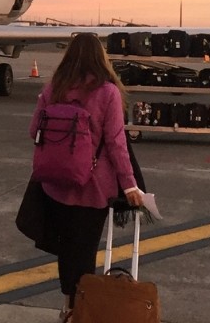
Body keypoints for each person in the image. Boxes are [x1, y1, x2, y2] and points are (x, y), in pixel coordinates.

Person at [28, 33, 144, 319]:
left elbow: (34, 132)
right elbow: (116, 143)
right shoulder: (107, 92)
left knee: (67, 251)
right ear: (99, 57)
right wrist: (130, 185)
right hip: (93, 188)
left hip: (56, 186)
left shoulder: (54, 88)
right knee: (85, 251)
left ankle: (69, 305)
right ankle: (81, 310)